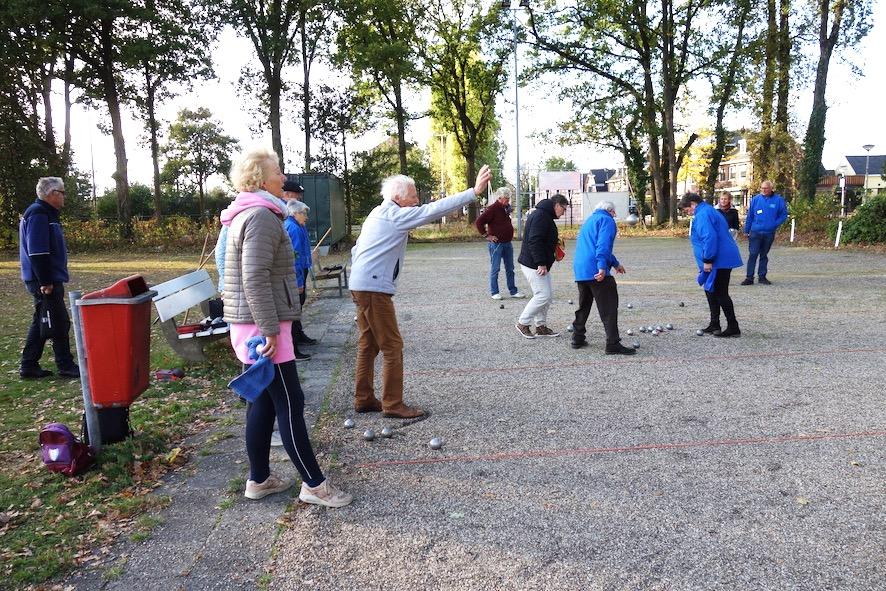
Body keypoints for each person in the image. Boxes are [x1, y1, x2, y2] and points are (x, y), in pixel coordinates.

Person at [220, 147, 350, 507]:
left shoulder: (249, 212)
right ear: (261, 179)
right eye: (278, 171)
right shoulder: (261, 215)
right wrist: (272, 331)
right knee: (290, 402)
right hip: (263, 326)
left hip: (252, 325)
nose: (283, 177)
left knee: (261, 402)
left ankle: (259, 479)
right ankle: (314, 485)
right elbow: (255, 278)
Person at [350, 165, 493, 419]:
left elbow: (357, 248)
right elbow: (433, 210)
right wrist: (473, 192)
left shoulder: (377, 213)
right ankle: (392, 404)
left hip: (360, 285)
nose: (417, 201)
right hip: (373, 289)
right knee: (392, 346)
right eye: (413, 196)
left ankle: (363, 398)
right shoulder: (395, 215)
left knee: (368, 344)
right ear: (398, 197)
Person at [19, 177, 80, 379]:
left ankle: (28, 365)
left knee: (43, 320)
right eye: (62, 192)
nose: (64, 197)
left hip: (47, 278)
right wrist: (45, 281)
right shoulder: (38, 213)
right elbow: (37, 252)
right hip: (44, 280)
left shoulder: (46, 213)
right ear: (52, 194)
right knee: (59, 321)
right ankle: (65, 364)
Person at [570, 201, 635, 354]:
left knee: (584, 304)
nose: (615, 215)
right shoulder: (607, 220)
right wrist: (601, 267)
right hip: (595, 268)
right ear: (610, 211)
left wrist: (615, 264)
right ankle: (612, 343)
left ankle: (577, 337)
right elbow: (603, 246)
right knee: (609, 307)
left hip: (581, 269)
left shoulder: (589, 221)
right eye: (614, 213)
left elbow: (595, 245)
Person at [678, 192, 743, 337]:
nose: (688, 213)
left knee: (720, 292)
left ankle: (733, 327)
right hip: (717, 258)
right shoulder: (707, 211)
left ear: (693, 204)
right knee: (710, 291)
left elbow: (709, 237)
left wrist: (708, 260)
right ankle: (715, 324)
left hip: (719, 260)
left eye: (687, 210)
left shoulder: (703, 214)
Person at [515, 193, 570, 339]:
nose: (563, 213)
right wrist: (541, 262)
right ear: (557, 205)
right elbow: (534, 241)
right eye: (563, 209)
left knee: (547, 295)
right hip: (534, 264)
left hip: (537, 263)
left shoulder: (543, 215)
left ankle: (540, 326)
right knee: (543, 295)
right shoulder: (541, 216)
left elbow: (541, 238)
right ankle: (523, 323)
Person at [475, 187, 524, 300]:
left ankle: (513, 291)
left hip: (507, 243)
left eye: (508, 198)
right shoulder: (492, 209)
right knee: (495, 268)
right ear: (499, 198)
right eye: (506, 199)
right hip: (497, 244)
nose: (508, 201)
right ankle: (494, 292)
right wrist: (487, 235)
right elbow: (479, 222)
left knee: (510, 268)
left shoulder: (506, 208)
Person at [283, 200, 318, 348]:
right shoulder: (293, 228)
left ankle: (299, 335)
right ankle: (293, 343)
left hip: (301, 270)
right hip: (296, 273)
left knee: (299, 306)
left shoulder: (299, 226)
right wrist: (298, 282)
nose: (306, 216)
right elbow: (294, 257)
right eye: (303, 213)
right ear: (295, 213)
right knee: (295, 307)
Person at [742, 180, 788, 285]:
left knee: (764, 254)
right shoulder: (756, 199)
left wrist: (774, 224)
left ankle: (762, 276)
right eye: (762, 188)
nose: (763, 190)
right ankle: (749, 277)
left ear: (771, 188)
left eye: (766, 188)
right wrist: (746, 230)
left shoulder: (778, 200)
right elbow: (750, 216)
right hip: (755, 232)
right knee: (753, 254)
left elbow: (783, 214)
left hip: (769, 232)